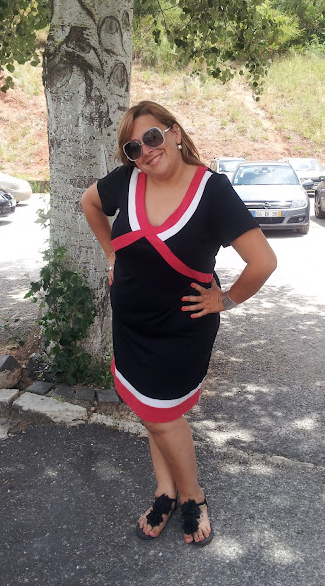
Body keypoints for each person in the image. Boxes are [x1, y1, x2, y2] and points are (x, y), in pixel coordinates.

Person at [81, 101, 277, 546]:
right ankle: (165, 490)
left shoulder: (212, 190)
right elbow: (89, 202)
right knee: (152, 413)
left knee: (163, 415)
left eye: (152, 137)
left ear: (174, 132)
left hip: (181, 331)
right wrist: (111, 254)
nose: (146, 151)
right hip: (130, 327)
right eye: (134, 148)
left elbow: (263, 261)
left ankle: (193, 496)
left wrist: (226, 299)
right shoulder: (126, 181)